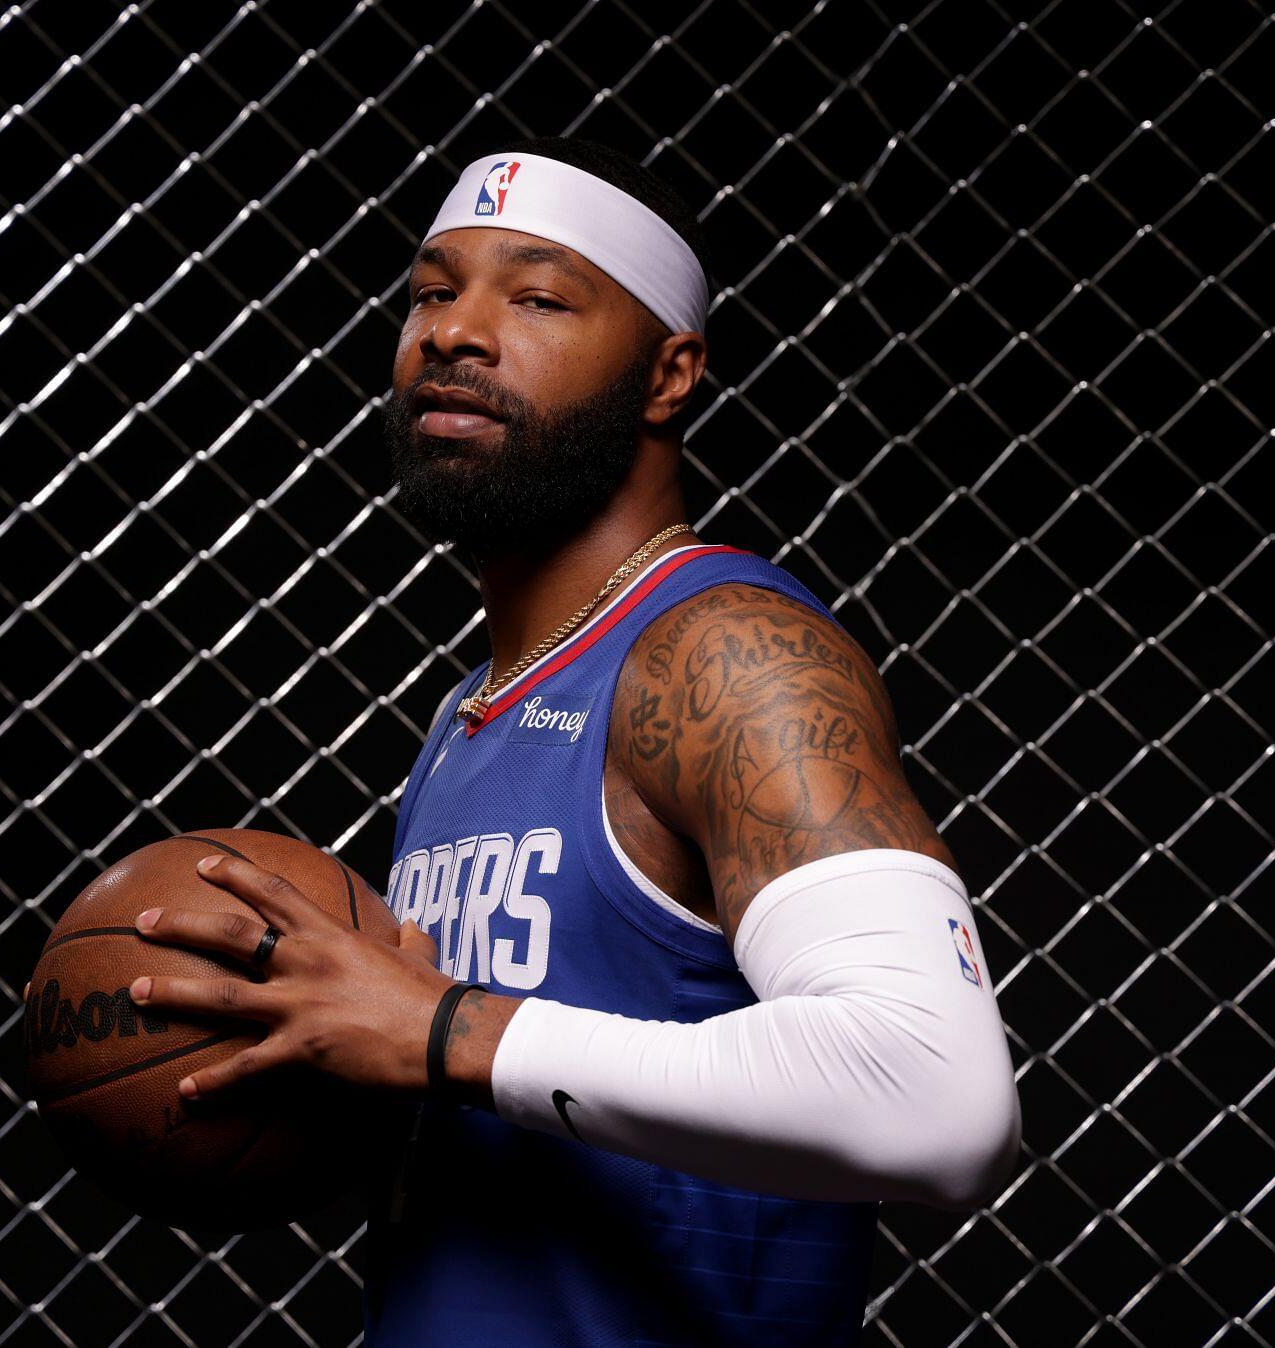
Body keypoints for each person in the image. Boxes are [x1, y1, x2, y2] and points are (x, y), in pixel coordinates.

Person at [124, 135, 1021, 1345]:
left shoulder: (724, 654)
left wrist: (444, 1028)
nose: (454, 331)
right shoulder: (467, 715)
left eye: (538, 298)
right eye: (430, 292)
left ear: (668, 374)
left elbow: (939, 1097)